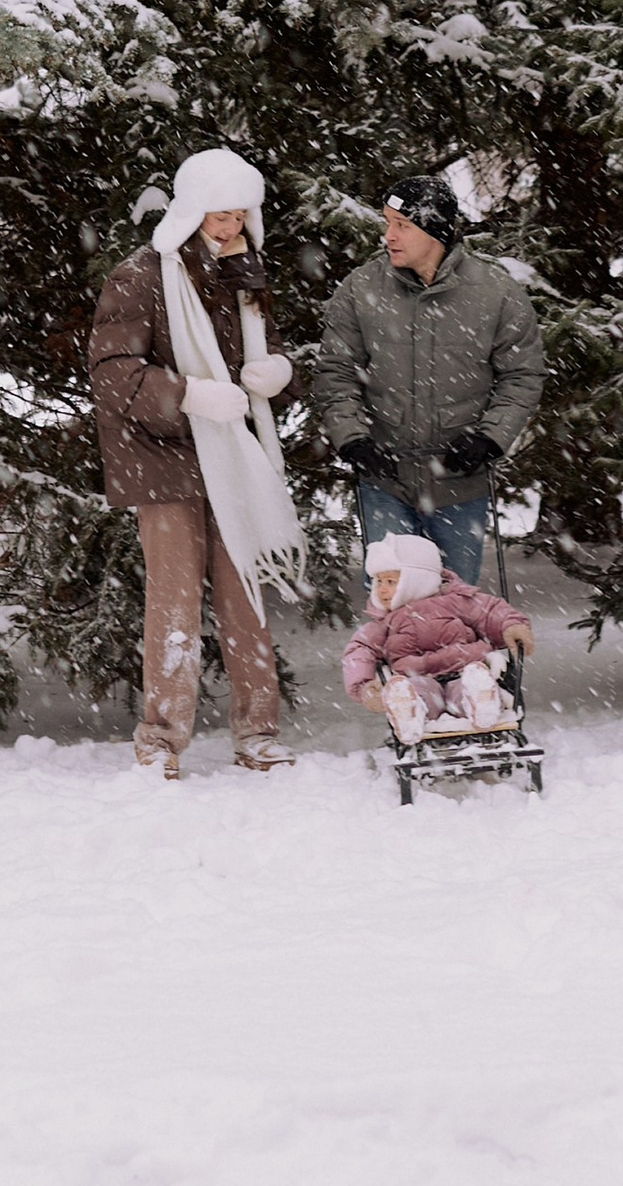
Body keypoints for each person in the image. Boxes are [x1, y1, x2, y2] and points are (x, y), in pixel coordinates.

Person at [88, 144, 303, 778]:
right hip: (164, 461)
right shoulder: (140, 275)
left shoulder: (247, 271)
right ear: (191, 211)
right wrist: (186, 396)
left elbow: (260, 351)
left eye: (240, 215)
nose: (230, 226)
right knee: (175, 602)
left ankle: (258, 731)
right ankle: (160, 739)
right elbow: (113, 372)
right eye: (219, 215)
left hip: (234, 455)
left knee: (245, 594)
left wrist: (278, 374)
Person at [311, 169, 545, 583]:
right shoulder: (361, 288)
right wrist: (353, 438)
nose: (389, 236)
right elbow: (336, 372)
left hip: (460, 480)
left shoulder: (496, 293)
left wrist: (490, 438)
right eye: (387, 224)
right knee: (391, 607)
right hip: (384, 476)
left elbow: (522, 376)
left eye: (401, 225)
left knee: (456, 609)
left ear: (434, 229)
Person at [341, 529, 534, 741]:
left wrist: (511, 625)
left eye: (390, 582)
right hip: (418, 679)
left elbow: (490, 611)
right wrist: (364, 685)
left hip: (464, 671)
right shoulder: (385, 622)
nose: (382, 590)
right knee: (418, 695)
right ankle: (409, 711)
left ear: (417, 578)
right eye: (378, 582)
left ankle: (481, 701)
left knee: (467, 688)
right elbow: (360, 649)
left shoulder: (455, 600)